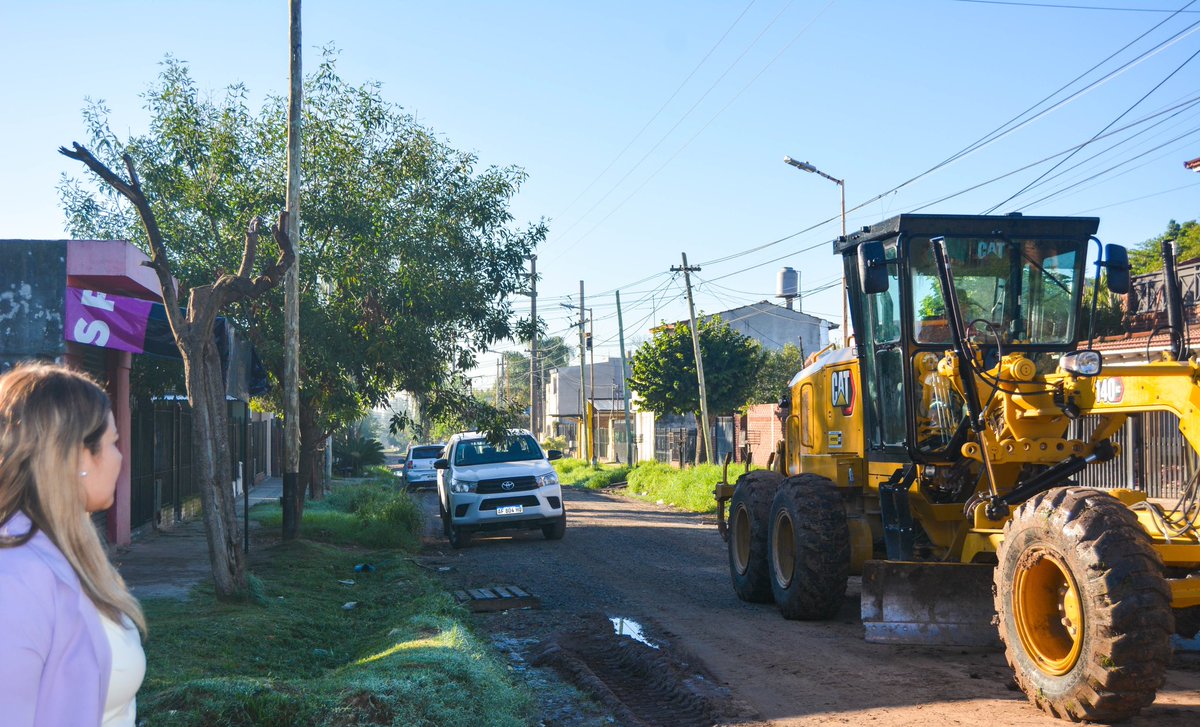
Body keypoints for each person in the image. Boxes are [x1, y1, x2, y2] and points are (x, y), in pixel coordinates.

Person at [0, 362, 146, 726]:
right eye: (113, 443)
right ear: (80, 456)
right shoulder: (16, 577)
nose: (120, 457)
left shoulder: (69, 549)